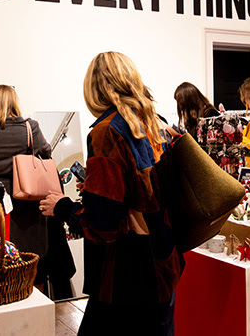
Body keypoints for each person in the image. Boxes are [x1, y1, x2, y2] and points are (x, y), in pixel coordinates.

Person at [40, 52, 183, 336]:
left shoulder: (107, 132)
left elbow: (102, 224)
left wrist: (63, 206)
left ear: (95, 89)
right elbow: (145, 192)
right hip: (164, 264)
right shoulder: (157, 124)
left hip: (127, 276)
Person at [0, 85, 75, 299]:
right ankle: (32, 308)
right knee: (32, 261)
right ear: (14, 103)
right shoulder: (30, 127)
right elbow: (46, 155)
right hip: (27, 204)